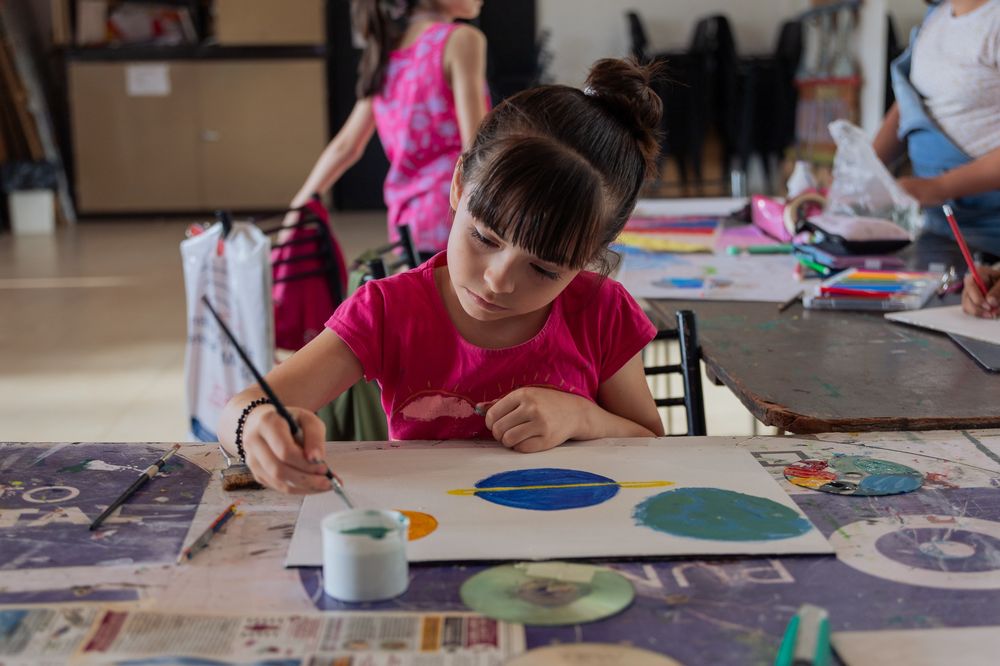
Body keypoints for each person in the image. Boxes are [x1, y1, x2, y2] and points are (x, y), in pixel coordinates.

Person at [220, 58, 668, 494]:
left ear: (591, 256)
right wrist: (259, 427)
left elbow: (649, 441)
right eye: (485, 238)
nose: (498, 281)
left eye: (544, 269)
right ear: (458, 185)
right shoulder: (388, 310)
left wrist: (581, 417)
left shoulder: (601, 311)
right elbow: (240, 410)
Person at [283, 0, 490, 253]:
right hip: (456, 218)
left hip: (406, 227)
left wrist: (299, 207)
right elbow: (478, 147)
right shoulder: (462, 40)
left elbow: (346, 146)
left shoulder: (387, 53)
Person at [873, 0, 1000, 255]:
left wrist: (939, 187)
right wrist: (864, 169)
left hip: (990, 230)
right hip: (939, 224)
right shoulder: (936, 18)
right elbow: (908, 106)